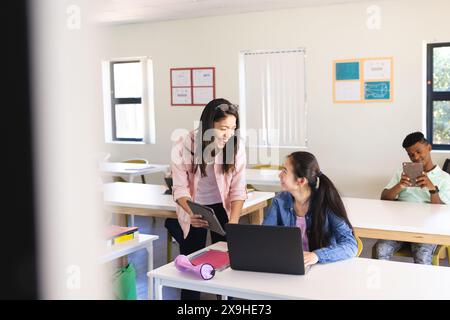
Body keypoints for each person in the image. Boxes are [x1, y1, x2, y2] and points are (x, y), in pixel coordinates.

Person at [167, 98, 247, 300]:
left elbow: (238, 189)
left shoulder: (235, 147)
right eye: (223, 128)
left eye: (233, 128)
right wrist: (190, 213)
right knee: (191, 267)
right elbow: (179, 188)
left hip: (223, 207)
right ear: (209, 125)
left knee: (229, 264)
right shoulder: (185, 146)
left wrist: (234, 223)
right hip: (195, 209)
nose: (229, 134)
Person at [263, 151, 358, 268]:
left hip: (322, 268)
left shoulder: (326, 203)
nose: (279, 175)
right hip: (290, 267)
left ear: (301, 181)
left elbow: (351, 245)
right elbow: (265, 238)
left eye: (284, 171)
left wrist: (316, 256)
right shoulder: (279, 201)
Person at [375, 132, 450, 264]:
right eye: (410, 154)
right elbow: (384, 198)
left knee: (423, 256)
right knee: (380, 250)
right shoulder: (402, 173)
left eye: (418, 151)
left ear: (429, 148)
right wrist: (400, 185)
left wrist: (432, 189)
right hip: (400, 226)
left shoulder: (444, 178)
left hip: (427, 229)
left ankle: (422, 284)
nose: (415, 157)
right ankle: (381, 282)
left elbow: (443, 212)